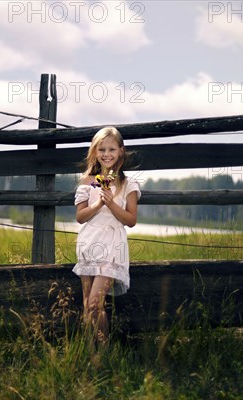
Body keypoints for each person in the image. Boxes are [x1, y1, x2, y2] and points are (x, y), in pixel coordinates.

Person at [72, 126, 140, 344]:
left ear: (121, 151)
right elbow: (81, 217)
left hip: (112, 245)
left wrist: (111, 204)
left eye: (111, 149)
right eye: (101, 149)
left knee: (95, 303)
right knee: (86, 303)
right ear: (95, 152)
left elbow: (130, 220)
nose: (106, 154)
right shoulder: (88, 181)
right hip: (89, 242)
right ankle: (90, 354)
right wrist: (99, 203)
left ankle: (104, 351)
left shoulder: (126, 184)